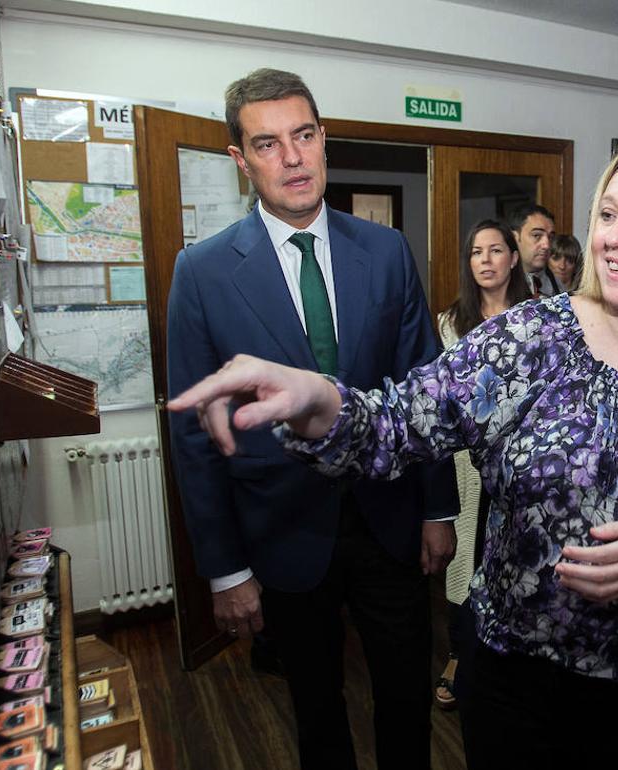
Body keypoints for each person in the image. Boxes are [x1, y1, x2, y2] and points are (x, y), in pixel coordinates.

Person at [170, 134, 618, 770]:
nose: (614, 237)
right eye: (607, 214)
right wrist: (315, 397)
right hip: (513, 690)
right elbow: (394, 425)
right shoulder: (527, 340)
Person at [165, 67, 457, 770]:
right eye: (268, 145)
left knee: (405, 697)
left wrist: (438, 507)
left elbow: (427, 386)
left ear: (324, 139)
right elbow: (194, 433)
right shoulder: (202, 272)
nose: (292, 158)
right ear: (241, 161)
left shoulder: (384, 251)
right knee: (316, 708)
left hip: (388, 518)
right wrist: (225, 570)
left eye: (304, 136)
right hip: (283, 529)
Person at [433, 220, 531, 709]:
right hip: (468, 464)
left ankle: (512, 656)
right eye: (477, 252)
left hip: (524, 461)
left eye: (496, 250)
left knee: (515, 553)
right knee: (465, 557)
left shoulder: (539, 318)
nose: (486, 260)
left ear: (514, 258)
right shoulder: (450, 323)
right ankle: (458, 653)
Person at [509, 203, 561, 297]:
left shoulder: (558, 286)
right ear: (514, 237)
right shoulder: (498, 286)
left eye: (550, 237)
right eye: (536, 235)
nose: (547, 245)